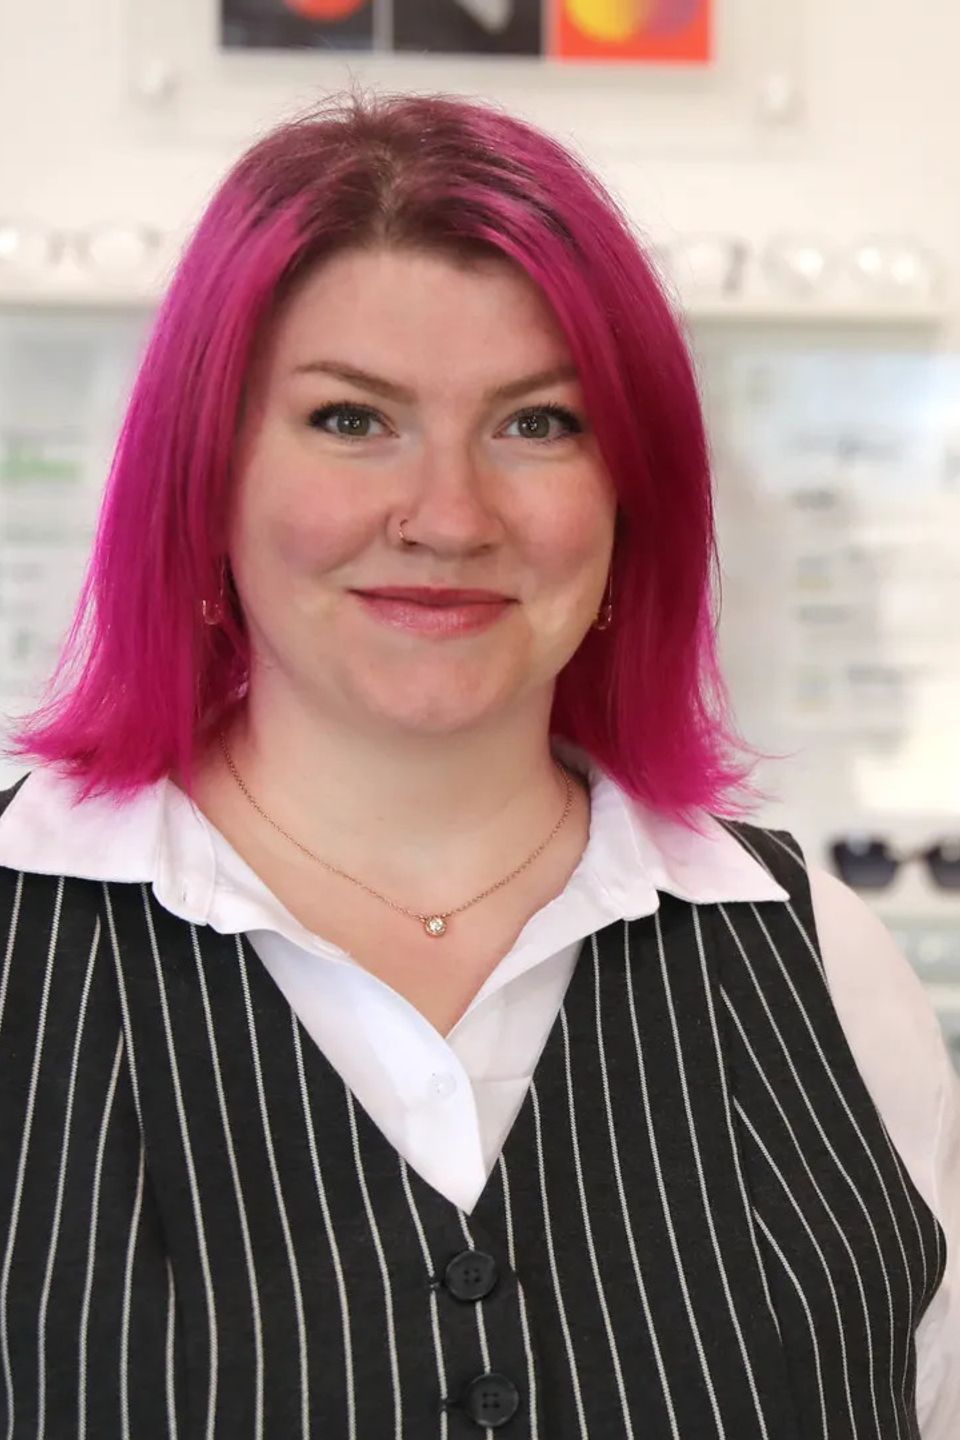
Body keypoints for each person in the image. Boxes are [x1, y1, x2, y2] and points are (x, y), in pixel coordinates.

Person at [0, 89, 956, 1440]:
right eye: (349, 420)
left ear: (632, 495)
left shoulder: (832, 973)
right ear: (205, 478)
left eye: (538, 424)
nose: (448, 516)